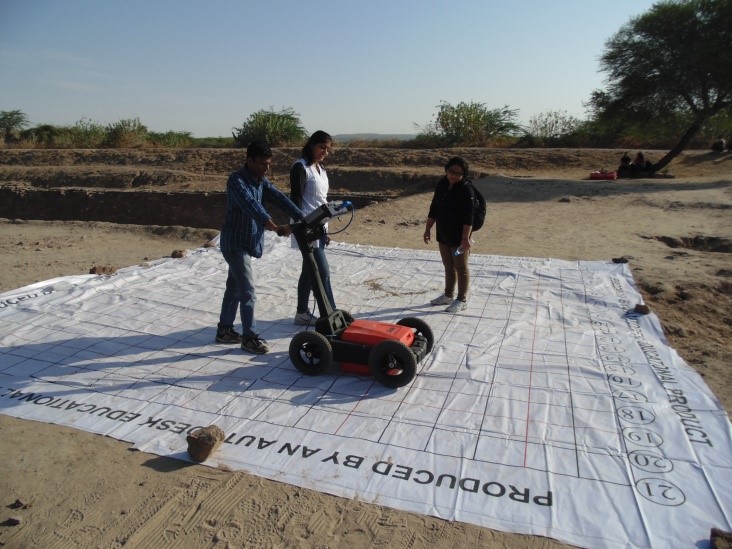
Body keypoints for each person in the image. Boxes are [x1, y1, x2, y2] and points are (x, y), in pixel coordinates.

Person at [216, 141, 305, 354]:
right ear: (249, 161)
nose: (267, 168)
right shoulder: (236, 181)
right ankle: (249, 337)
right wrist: (274, 227)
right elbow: (250, 205)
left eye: (269, 164)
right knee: (247, 291)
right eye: (263, 164)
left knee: (234, 288)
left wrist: (302, 216)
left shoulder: (261, 181)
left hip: (247, 242)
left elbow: (279, 198)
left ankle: (224, 331)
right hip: (234, 243)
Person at [289, 130, 337, 325]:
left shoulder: (321, 169)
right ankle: (331, 313)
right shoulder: (300, 168)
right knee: (321, 271)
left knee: (308, 270)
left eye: (327, 149)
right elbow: (296, 201)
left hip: (320, 226)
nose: (324, 152)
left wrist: (325, 229)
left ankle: (301, 313)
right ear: (311, 145)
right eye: (321, 147)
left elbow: (320, 200)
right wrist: (302, 226)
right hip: (306, 228)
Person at [423, 156, 475, 313]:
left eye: (458, 173)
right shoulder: (442, 184)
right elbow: (434, 208)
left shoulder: (466, 190)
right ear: (446, 170)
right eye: (451, 171)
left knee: (461, 266)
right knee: (448, 265)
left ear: (463, 175)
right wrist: (428, 228)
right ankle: (448, 295)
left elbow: (469, 217)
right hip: (444, 233)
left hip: (459, 237)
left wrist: (465, 238)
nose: (454, 175)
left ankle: (462, 299)